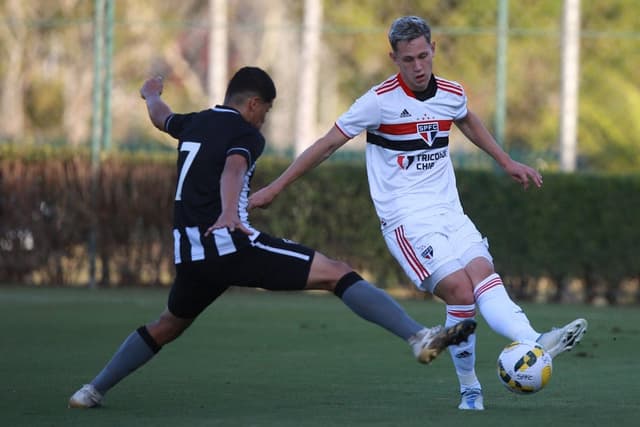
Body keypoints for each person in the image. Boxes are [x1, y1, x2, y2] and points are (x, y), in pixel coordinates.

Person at [68, 67, 477, 408]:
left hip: (190, 253)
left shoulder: (194, 122)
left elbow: (161, 117)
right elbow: (232, 171)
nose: (264, 118)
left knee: (168, 324)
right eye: (265, 109)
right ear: (252, 104)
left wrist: (149, 93)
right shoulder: (247, 135)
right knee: (337, 273)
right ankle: (417, 336)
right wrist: (231, 212)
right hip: (229, 243)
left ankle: (91, 390)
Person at [248, 17, 588, 411]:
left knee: (483, 276)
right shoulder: (378, 101)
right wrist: (275, 188)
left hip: (449, 211)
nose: (418, 66)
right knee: (460, 289)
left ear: (433, 50)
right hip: (407, 221)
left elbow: (466, 119)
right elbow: (326, 145)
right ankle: (469, 388)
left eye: (423, 55)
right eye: (407, 59)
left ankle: (534, 340)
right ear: (394, 58)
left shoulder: (450, 92)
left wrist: (506, 160)